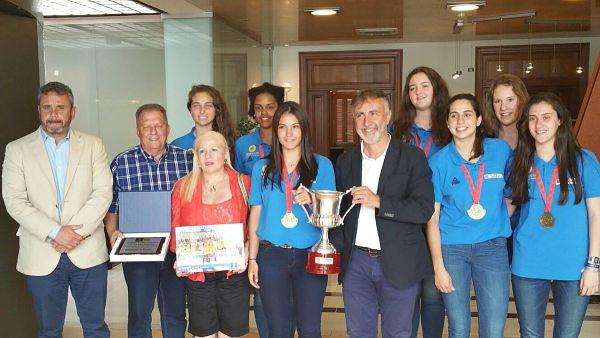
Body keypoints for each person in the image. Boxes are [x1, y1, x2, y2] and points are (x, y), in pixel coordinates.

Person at [2, 81, 113, 337]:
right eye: (47, 107)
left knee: (96, 327)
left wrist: (73, 235)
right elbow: (14, 200)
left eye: (60, 107)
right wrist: (55, 231)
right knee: (49, 330)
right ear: (39, 110)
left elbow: (103, 192)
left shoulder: (94, 145)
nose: (53, 114)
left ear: (72, 111)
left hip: (87, 252)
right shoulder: (17, 149)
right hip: (41, 253)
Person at [335, 89, 434, 338]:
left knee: (398, 333)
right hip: (356, 263)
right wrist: (337, 245)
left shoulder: (412, 157)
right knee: (358, 332)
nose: (367, 122)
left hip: (399, 262)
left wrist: (379, 201)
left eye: (373, 113)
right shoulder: (346, 161)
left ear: (388, 116)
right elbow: (338, 212)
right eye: (360, 115)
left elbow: (423, 209)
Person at [508, 92, 600, 338]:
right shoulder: (520, 162)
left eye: (546, 117)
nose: (539, 125)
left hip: (573, 265)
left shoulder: (583, 161)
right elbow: (507, 208)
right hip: (528, 263)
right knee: (530, 334)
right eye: (532, 119)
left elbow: (595, 215)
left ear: (560, 120)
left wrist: (594, 265)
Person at [247, 101, 335, 338]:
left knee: (309, 329)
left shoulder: (321, 166)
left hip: (309, 256)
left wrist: (313, 200)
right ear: (275, 131)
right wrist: (252, 258)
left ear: (304, 130)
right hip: (271, 256)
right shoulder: (261, 168)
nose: (289, 133)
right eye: (283, 127)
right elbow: (255, 213)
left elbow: (330, 215)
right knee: (278, 330)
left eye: (295, 126)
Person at [104, 103, 193, 337]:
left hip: (177, 250)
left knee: (174, 313)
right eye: (147, 126)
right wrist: (113, 232)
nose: (153, 131)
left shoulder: (187, 161)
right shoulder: (122, 163)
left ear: (168, 128)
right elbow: (111, 206)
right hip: (138, 249)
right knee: (139, 314)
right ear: (138, 131)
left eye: (159, 125)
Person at [427, 93, 512, 338]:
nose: (460, 120)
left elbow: (511, 194)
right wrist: (438, 266)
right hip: (453, 250)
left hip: (493, 248)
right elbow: (432, 219)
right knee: (459, 327)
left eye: (467, 114)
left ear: (478, 119)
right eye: (454, 115)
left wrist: (496, 220)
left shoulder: (500, 151)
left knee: (494, 328)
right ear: (447, 122)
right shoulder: (439, 162)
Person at [171, 131, 251, 338]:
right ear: (196, 156)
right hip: (198, 276)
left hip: (233, 274)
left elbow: (255, 226)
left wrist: (248, 251)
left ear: (225, 154)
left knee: (229, 335)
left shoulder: (244, 184)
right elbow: (176, 229)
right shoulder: (183, 187)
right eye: (202, 151)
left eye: (214, 150)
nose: (207, 156)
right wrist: (179, 257)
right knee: (204, 334)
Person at [233, 82, 292, 338]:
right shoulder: (243, 144)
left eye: (270, 107)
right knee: (261, 294)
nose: (264, 113)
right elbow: (236, 185)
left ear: (280, 108)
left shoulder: (290, 140)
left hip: (286, 229)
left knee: (288, 297)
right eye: (258, 108)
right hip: (255, 226)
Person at [394, 66, 450, 338]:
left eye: (424, 85)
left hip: (440, 222)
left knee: (433, 294)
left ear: (436, 89)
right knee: (406, 294)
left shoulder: (452, 129)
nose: (418, 92)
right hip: (406, 222)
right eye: (412, 87)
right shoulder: (397, 131)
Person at [171, 84, 236, 156]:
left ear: (217, 109)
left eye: (208, 106)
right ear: (190, 109)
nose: (202, 111)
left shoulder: (230, 142)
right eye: (196, 106)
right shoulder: (177, 146)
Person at [484, 74, 530, 150]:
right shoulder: (484, 140)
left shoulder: (533, 138)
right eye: (498, 101)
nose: (503, 107)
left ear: (522, 101)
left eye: (510, 100)